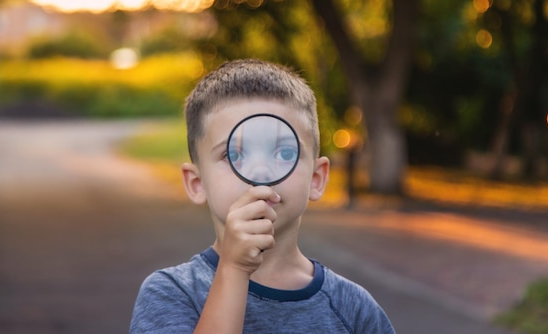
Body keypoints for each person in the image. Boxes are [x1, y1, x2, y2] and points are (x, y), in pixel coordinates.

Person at [130, 59, 395, 333]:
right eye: (234, 154)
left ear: (317, 179)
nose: (260, 171)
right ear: (197, 183)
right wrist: (233, 269)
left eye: (284, 153)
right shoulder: (171, 293)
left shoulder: (354, 309)